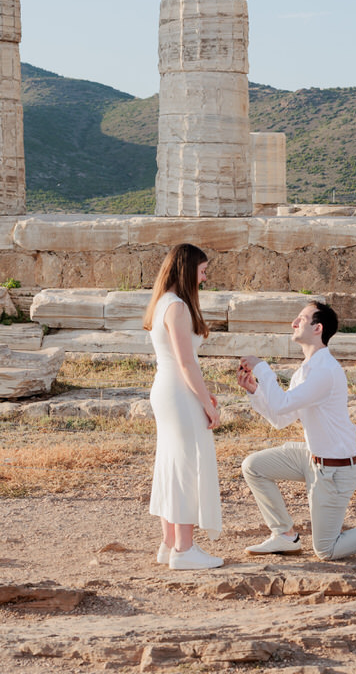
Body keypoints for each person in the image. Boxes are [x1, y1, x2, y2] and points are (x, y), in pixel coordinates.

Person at [237, 300, 356, 561]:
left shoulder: (325, 371)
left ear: (318, 328)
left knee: (326, 549)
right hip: (312, 458)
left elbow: (281, 404)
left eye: (301, 318)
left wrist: (261, 368)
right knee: (253, 466)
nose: (293, 323)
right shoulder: (306, 371)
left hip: (335, 469)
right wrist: (256, 391)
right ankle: (285, 535)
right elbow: (281, 417)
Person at [143, 243, 223, 571]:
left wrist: (204, 395)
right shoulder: (177, 307)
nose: (204, 279)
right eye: (202, 272)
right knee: (187, 466)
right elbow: (187, 363)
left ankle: (169, 544)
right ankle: (184, 548)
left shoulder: (164, 302)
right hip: (177, 391)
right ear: (187, 269)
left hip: (169, 390)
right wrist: (208, 404)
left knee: (171, 464)